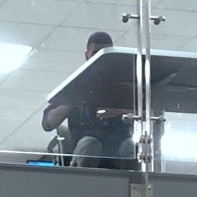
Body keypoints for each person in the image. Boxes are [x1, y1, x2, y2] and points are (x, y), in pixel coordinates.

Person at [42, 31, 135, 168]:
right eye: (95, 53)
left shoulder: (123, 87)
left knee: (133, 147)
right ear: (87, 55)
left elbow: (147, 115)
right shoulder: (74, 85)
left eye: (104, 54)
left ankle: (135, 181)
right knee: (90, 144)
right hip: (84, 151)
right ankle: (84, 180)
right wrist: (76, 98)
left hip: (119, 150)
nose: (100, 59)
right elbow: (48, 123)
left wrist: (117, 111)